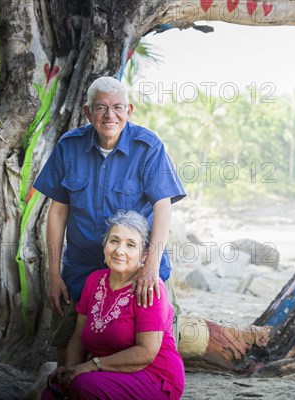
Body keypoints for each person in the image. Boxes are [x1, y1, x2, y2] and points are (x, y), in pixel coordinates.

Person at [33, 76, 185, 364]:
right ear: (87, 112)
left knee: (151, 350)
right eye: (100, 107)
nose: (109, 115)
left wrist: (151, 265)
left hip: (139, 269)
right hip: (82, 266)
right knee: (68, 345)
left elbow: (163, 209)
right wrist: (53, 274)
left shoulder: (147, 147)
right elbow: (58, 212)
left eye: (117, 107)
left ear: (129, 110)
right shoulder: (69, 146)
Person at [41, 210, 184, 400]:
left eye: (131, 245)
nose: (119, 250)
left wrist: (91, 366)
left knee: (84, 386)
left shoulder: (149, 288)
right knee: (53, 391)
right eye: (114, 241)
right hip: (105, 371)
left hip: (152, 375)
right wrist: (71, 369)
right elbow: (77, 338)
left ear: (143, 256)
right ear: (104, 246)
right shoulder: (93, 281)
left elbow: (146, 352)